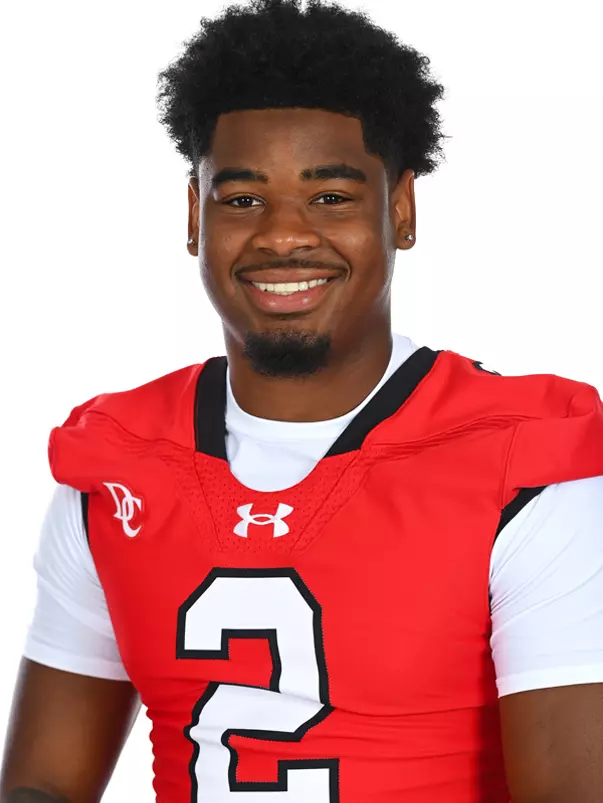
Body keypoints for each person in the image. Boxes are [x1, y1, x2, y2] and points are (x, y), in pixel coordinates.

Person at [2, 0, 603, 800]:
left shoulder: (525, 470)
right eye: (242, 199)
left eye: (330, 198)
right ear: (195, 215)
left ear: (399, 209)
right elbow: (43, 783)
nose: (282, 236)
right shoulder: (117, 468)